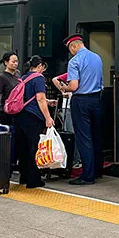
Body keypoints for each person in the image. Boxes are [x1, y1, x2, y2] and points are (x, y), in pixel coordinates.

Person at [56, 34, 103, 185]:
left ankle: (87, 175)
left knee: (84, 138)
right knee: (96, 136)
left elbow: (74, 86)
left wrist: (65, 88)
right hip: (96, 99)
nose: (71, 52)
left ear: (73, 46)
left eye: (70, 49)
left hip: (81, 100)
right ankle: (97, 171)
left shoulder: (75, 61)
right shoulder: (97, 58)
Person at [15, 55, 54, 189]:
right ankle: (34, 180)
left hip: (20, 116)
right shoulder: (38, 78)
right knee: (34, 147)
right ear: (39, 66)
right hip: (33, 117)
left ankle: (24, 176)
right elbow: (40, 98)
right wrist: (48, 117)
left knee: (23, 147)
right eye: (43, 67)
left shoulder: (24, 78)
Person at [0, 51, 21, 170]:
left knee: (17, 137)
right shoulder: (2, 78)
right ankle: (6, 163)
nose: (15, 64)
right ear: (6, 63)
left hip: (17, 111)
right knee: (8, 139)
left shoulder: (18, 74)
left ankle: (14, 162)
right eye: (13, 61)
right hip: (5, 113)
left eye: (16, 61)